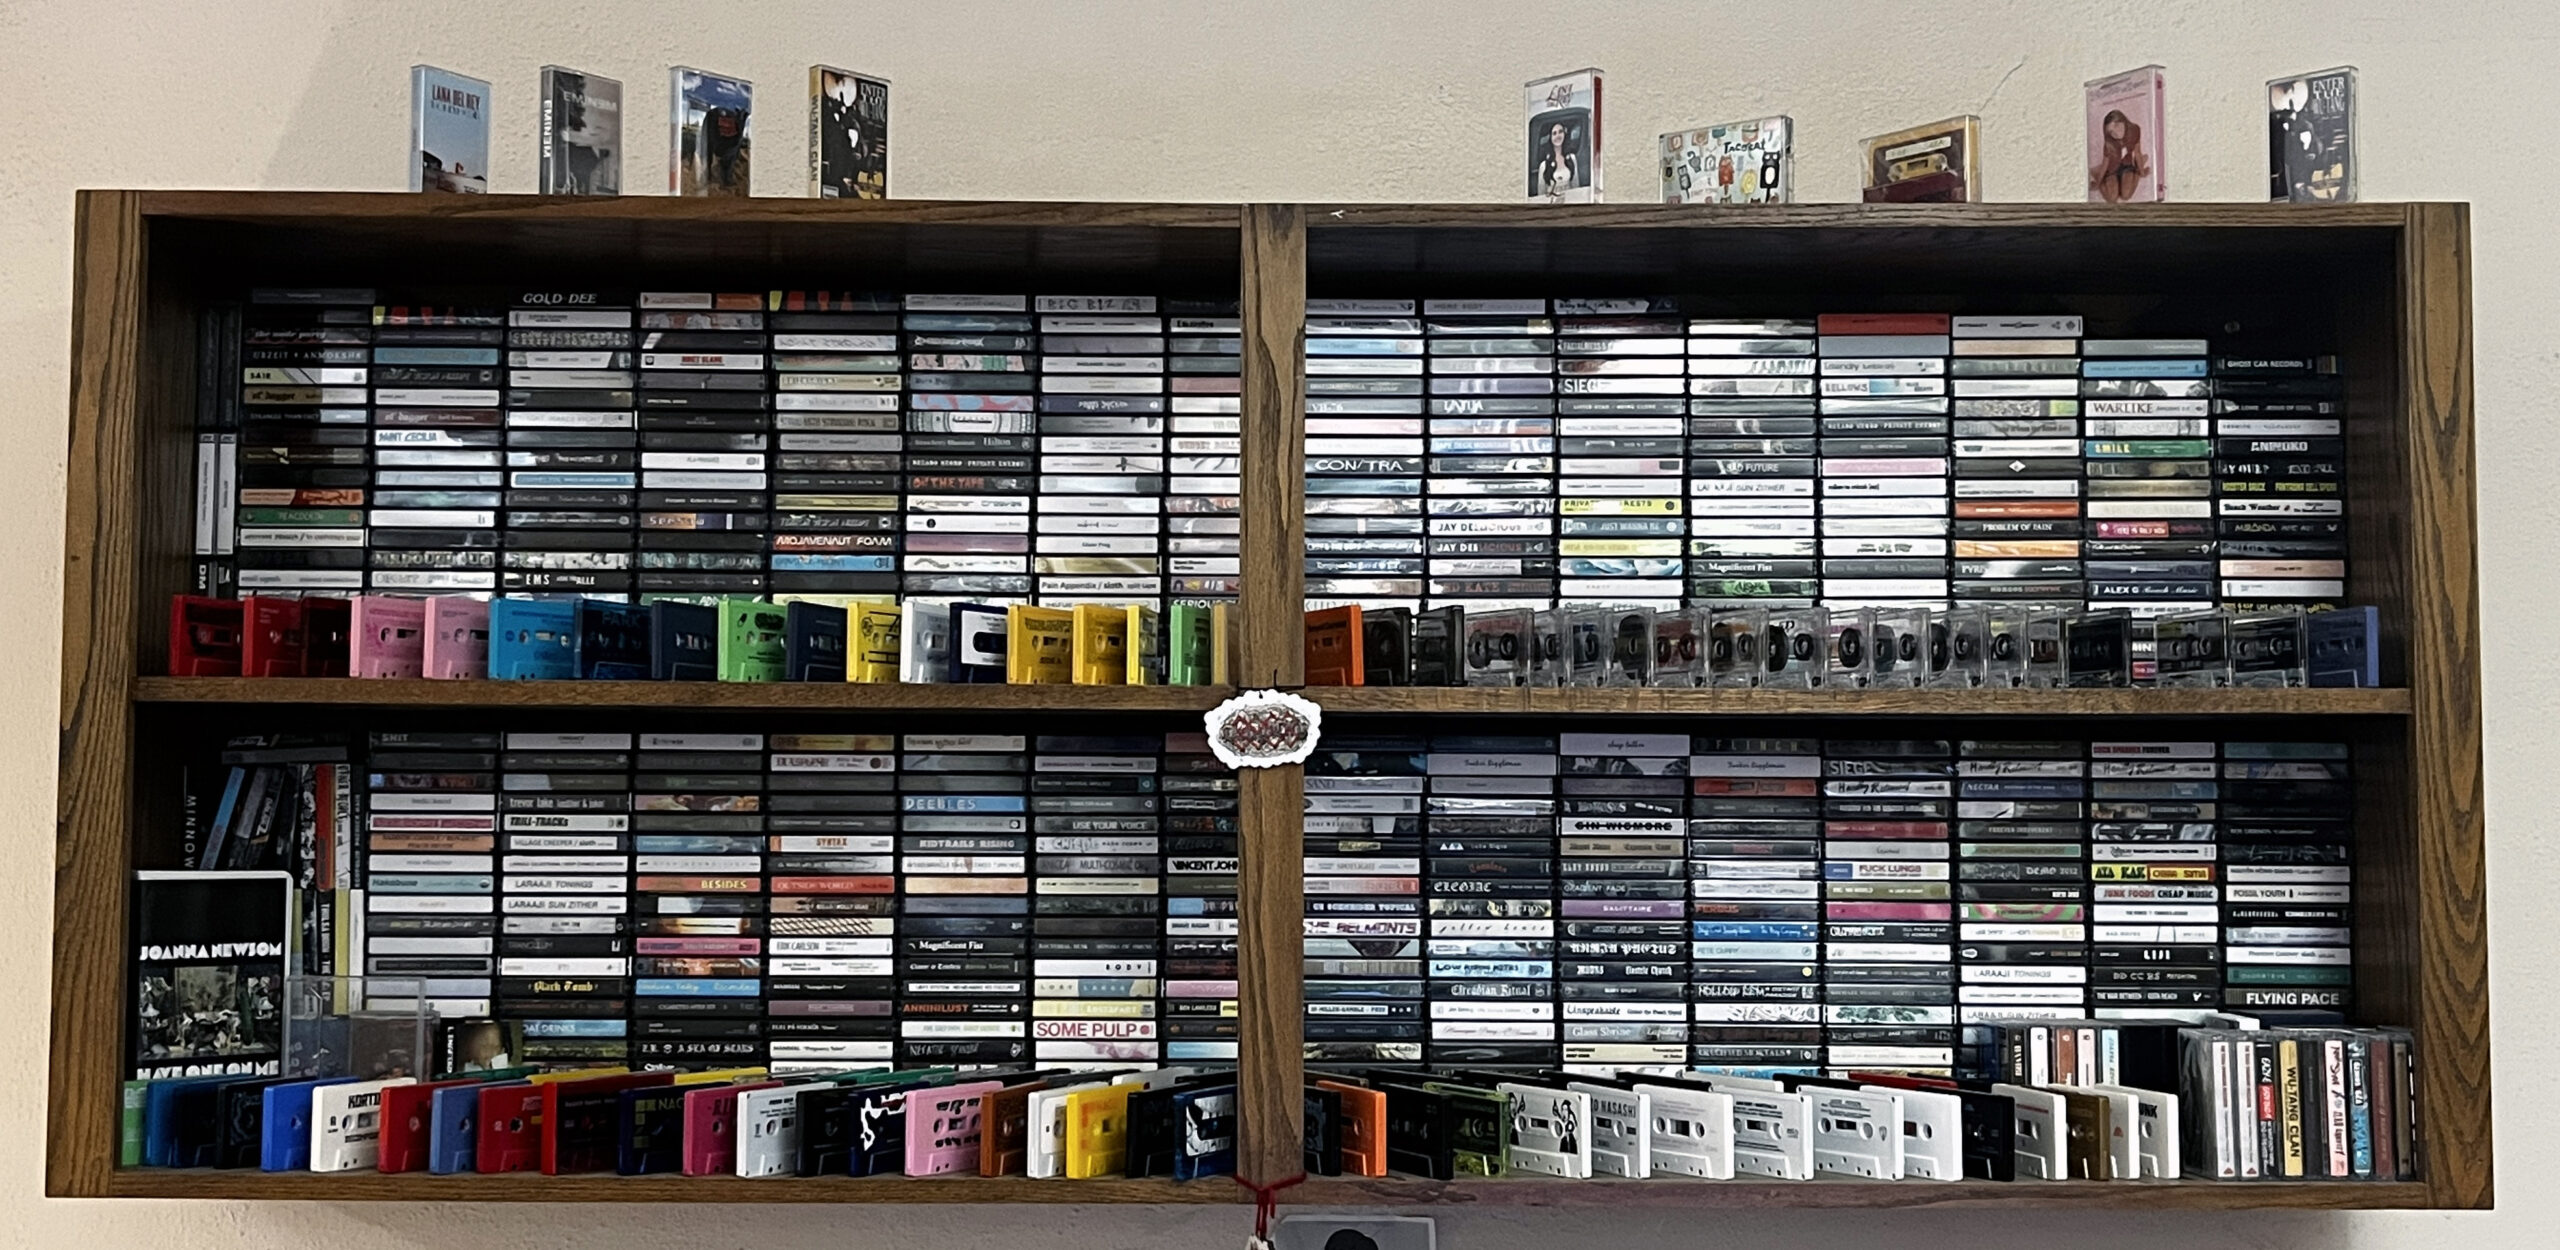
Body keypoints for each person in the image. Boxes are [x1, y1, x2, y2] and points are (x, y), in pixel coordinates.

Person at [2090, 108, 2150, 202]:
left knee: (2126, 195)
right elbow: (2105, 164)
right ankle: (2097, 172)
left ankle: (2137, 169)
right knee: (2112, 198)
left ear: (2123, 121)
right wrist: (2098, 183)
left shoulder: (2134, 130)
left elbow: (2137, 152)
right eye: (2111, 132)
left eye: (2116, 126)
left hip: (2127, 165)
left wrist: (2142, 172)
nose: (2116, 133)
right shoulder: (2109, 143)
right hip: (2112, 170)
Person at [1536, 121, 1578, 197]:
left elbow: (1576, 185)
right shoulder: (1543, 165)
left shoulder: (1572, 158)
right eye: (1554, 133)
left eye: (1560, 132)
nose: (1558, 136)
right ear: (1550, 137)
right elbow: (1541, 193)